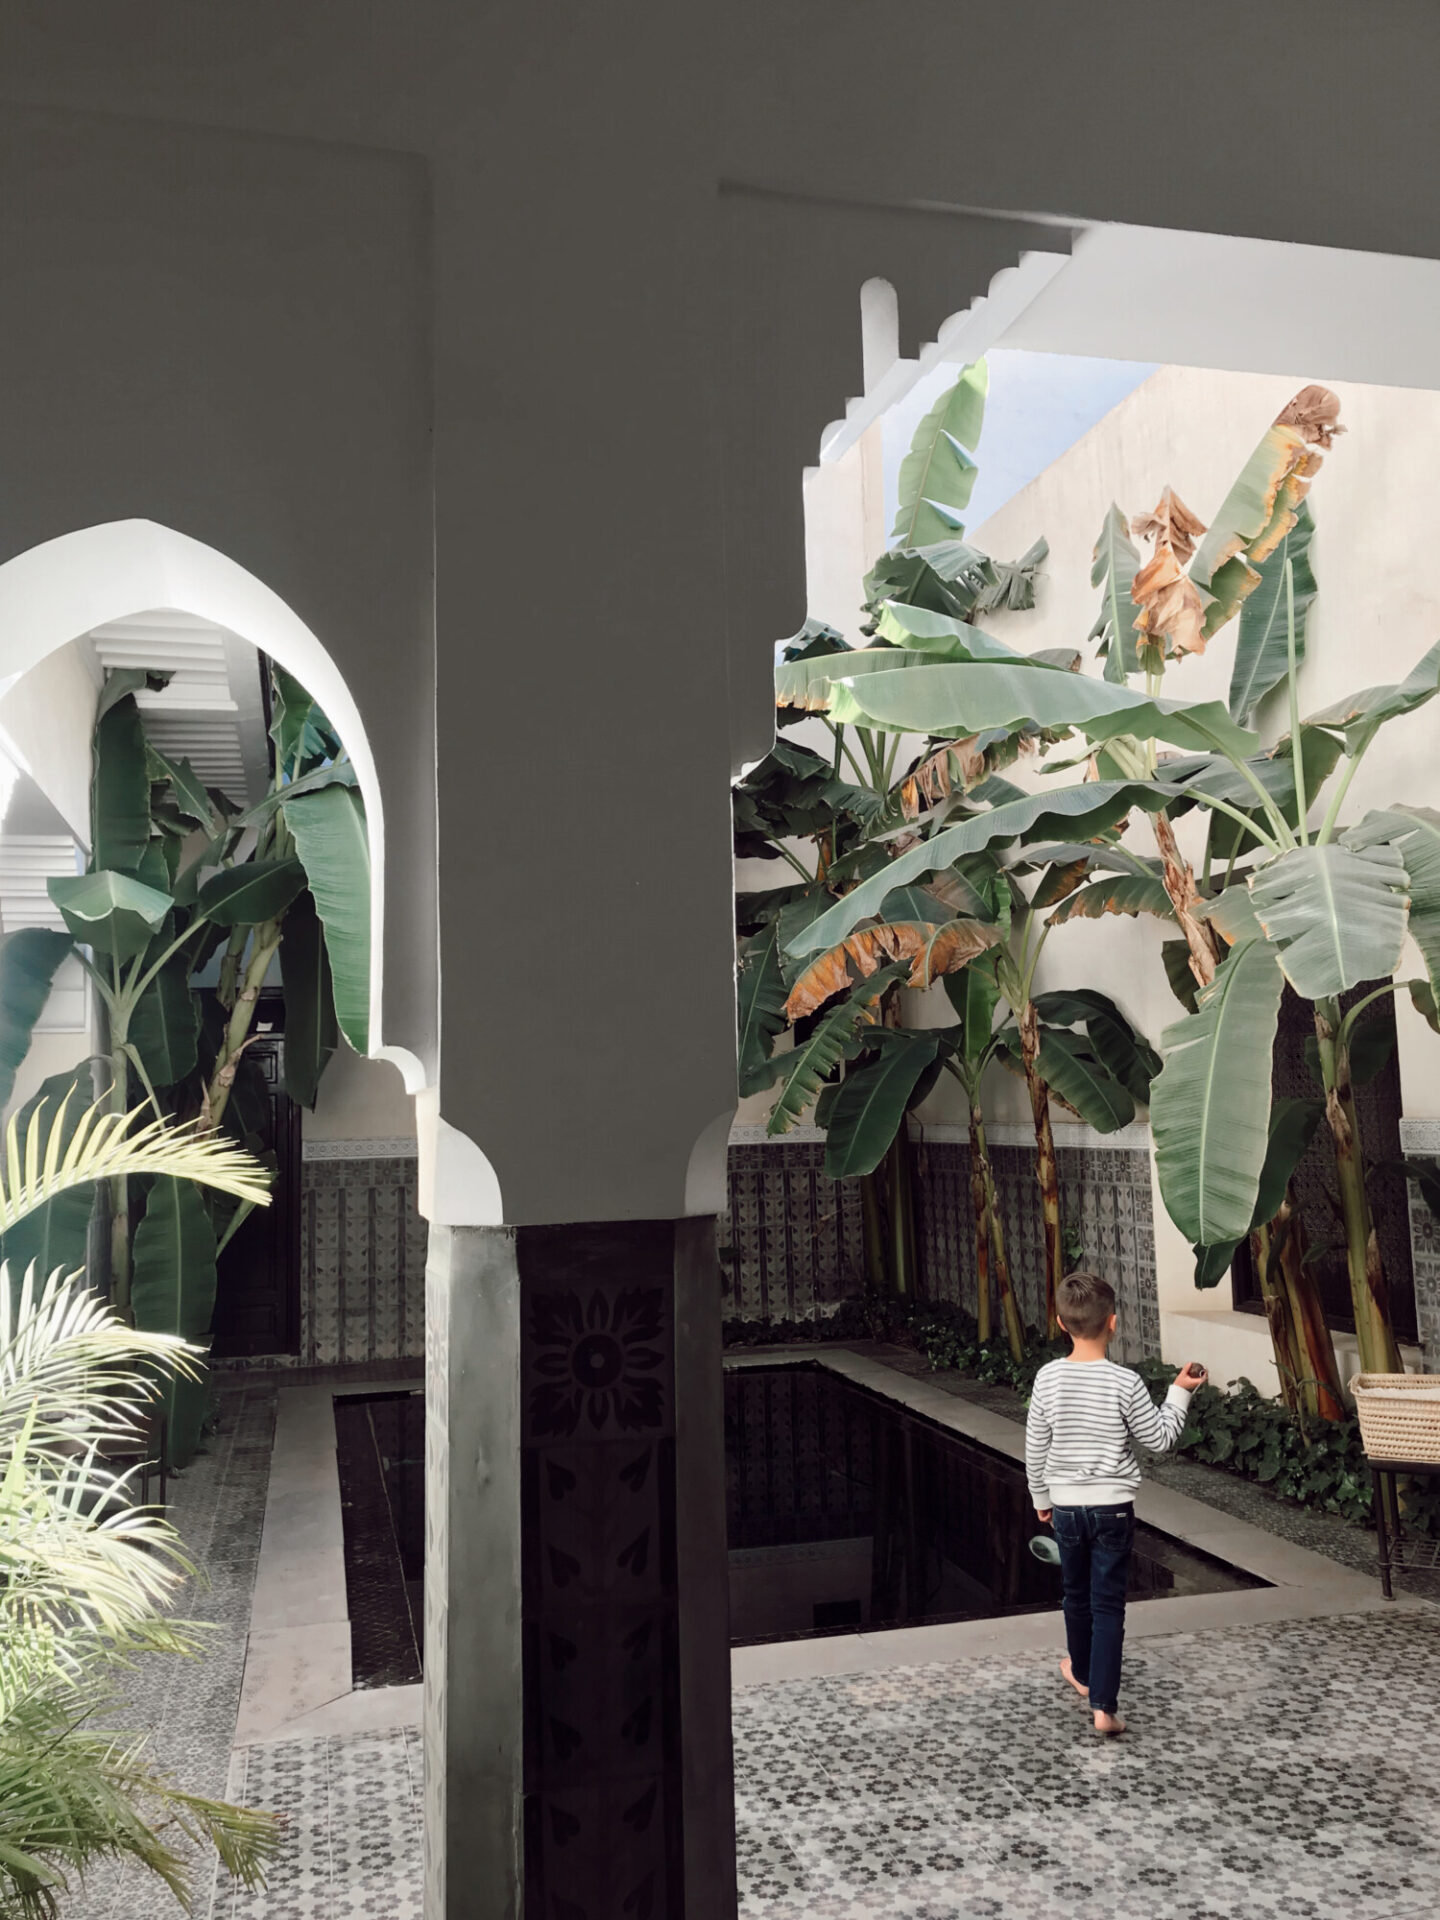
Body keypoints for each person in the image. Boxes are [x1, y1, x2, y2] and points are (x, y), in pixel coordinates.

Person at [1025, 1271, 1206, 1736]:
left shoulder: (1048, 1378)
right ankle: (1103, 1707)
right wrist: (1180, 1393)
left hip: (1065, 1507)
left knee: (1075, 1596)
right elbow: (1160, 1438)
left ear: (1061, 1324)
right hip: (1113, 1510)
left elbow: (1036, 1446)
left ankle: (1082, 1674)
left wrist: (1040, 1498)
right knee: (1108, 1606)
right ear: (1114, 1322)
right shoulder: (1124, 1382)